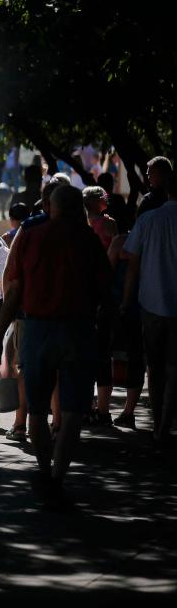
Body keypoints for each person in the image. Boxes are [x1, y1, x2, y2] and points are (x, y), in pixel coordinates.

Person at [0, 185, 113, 506]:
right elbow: (105, 293)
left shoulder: (30, 236)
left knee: (36, 410)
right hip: (78, 331)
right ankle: (58, 475)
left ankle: (44, 469)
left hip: (37, 330)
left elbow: (13, 291)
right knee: (72, 412)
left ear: (51, 207)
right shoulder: (88, 240)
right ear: (79, 208)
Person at [123, 170, 177, 447]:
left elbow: (132, 263)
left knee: (154, 370)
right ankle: (165, 423)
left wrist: (125, 298)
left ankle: (158, 424)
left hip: (151, 303)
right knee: (173, 369)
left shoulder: (148, 220)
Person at [107, 231, 145, 428]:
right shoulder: (153, 240)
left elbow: (107, 272)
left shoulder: (120, 241)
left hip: (118, 305)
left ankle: (101, 408)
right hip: (148, 306)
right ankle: (129, 411)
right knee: (138, 360)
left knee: (105, 355)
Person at [83, 186, 118, 251]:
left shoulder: (81, 221)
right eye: (104, 195)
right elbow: (116, 247)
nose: (107, 198)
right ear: (96, 200)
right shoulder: (109, 222)